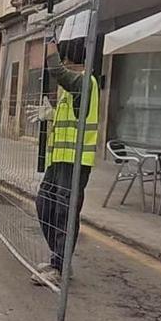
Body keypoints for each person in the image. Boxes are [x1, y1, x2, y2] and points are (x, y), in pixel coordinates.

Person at [26, 33, 100, 286]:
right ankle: (59, 259)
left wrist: (49, 40)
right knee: (44, 205)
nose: (63, 63)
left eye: (65, 56)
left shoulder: (85, 82)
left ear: (71, 57)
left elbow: (56, 69)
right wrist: (52, 113)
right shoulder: (74, 87)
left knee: (64, 213)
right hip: (58, 160)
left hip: (75, 163)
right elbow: (74, 115)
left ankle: (59, 266)